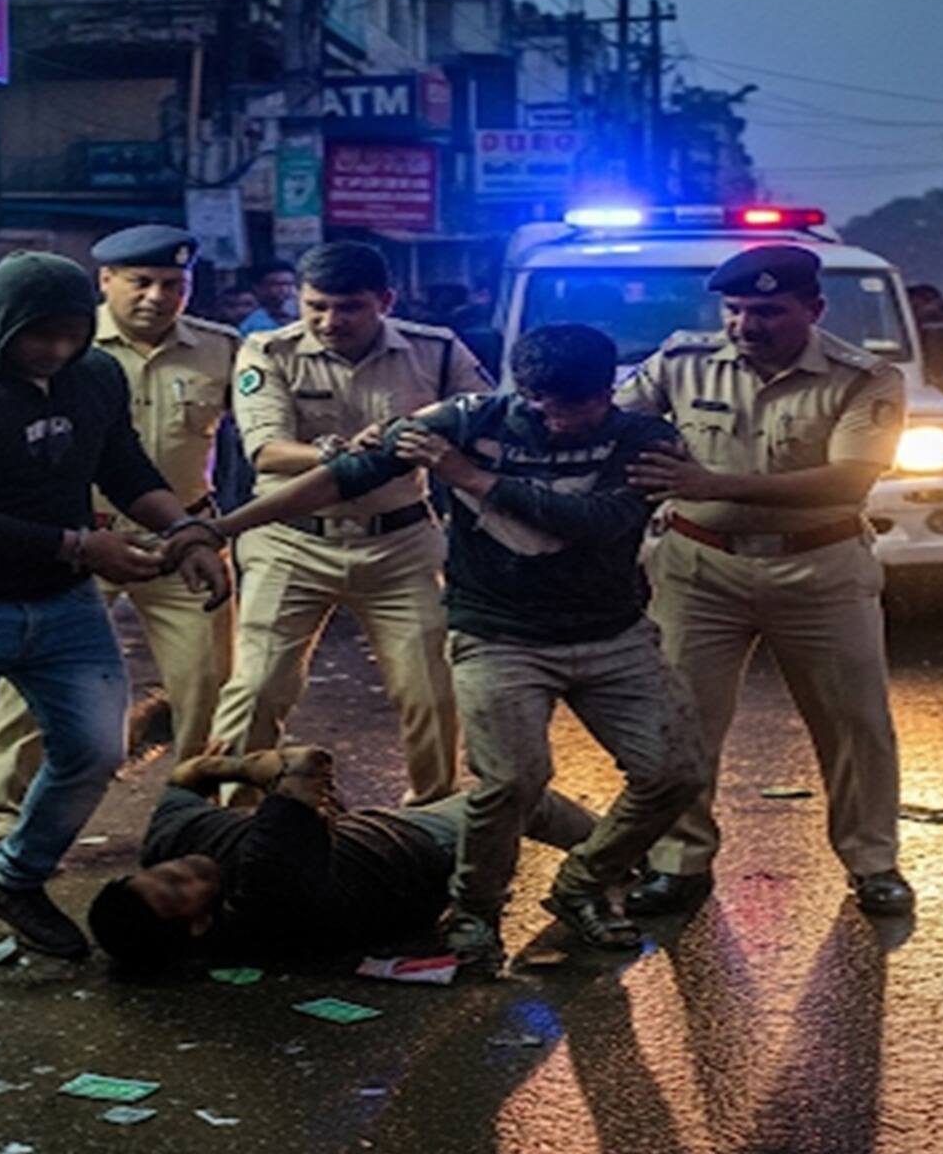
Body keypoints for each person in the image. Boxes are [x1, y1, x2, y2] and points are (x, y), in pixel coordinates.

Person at [202, 322, 704, 957]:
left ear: (609, 392)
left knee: (676, 772)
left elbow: (598, 523)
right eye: (539, 405)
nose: (555, 422)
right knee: (511, 782)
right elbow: (344, 478)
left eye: (575, 408)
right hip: (498, 634)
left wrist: (472, 478)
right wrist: (223, 527)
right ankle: (475, 909)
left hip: (612, 635)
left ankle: (584, 882)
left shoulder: (644, 438)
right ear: (521, 389)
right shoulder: (463, 420)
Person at [0, 252, 231, 999]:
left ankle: (16, 877)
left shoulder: (95, 375)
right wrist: (79, 545)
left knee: (94, 749)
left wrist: (189, 533)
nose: (56, 350)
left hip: (59, 601)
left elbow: (126, 468)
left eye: (72, 334)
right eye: (40, 335)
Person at [615, 243, 915, 918]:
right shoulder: (680, 362)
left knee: (854, 722)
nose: (748, 325)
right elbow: (613, 423)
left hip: (821, 568)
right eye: (737, 309)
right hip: (698, 567)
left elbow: (851, 478)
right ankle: (679, 862)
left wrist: (709, 483)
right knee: (683, 720)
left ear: (813, 309)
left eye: (769, 312)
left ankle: (873, 862)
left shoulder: (863, 377)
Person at [0, 226, 241, 848]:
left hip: (181, 539)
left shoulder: (222, 349)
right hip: (74, 543)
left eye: (173, 284)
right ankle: (5, 830)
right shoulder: (60, 344)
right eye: (140, 282)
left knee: (208, 686)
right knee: (28, 695)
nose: (156, 296)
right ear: (105, 282)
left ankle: (192, 825)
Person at [209, 242, 488, 804]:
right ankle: (230, 823)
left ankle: (432, 813)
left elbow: (484, 419)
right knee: (259, 688)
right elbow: (265, 451)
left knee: (432, 690)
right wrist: (340, 452)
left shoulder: (434, 350)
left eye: (349, 307)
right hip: (291, 542)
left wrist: (445, 441)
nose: (328, 321)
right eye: (315, 306)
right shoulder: (268, 350)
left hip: (401, 541)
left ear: (384, 301)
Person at [87, 743, 596, 970]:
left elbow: (184, 779)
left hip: (360, 838)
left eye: (158, 875)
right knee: (519, 797)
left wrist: (238, 767)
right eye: (178, 892)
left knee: (495, 796)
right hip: (414, 851)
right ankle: (624, 862)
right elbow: (308, 761)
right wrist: (255, 770)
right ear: (198, 927)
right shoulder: (263, 894)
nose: (178, 870)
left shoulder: (172, 847)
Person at [238, 260, 299, 334]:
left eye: (289, 284)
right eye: (277, 284)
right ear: (258, 287)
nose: (284, 289)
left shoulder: (301, 315)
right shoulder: (254, 324)